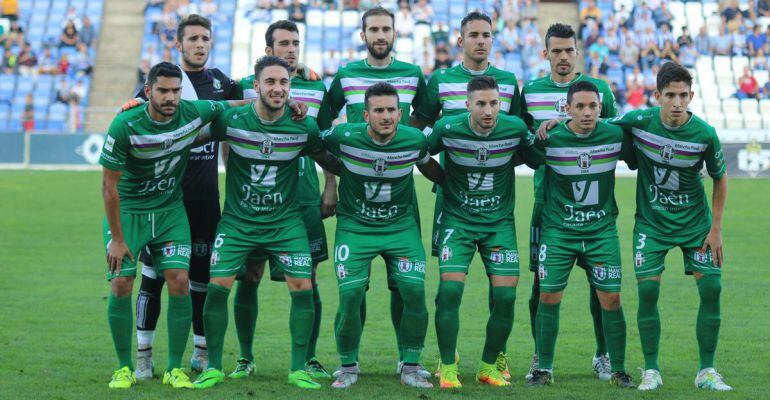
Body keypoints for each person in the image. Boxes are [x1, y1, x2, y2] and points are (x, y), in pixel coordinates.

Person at [189, 55, 341, 390]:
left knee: (303, 287)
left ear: (290, 87)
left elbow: (327, 158)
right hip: (238, 223)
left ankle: (298, 368)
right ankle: (214, 366)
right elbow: (190, 137)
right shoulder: (232, 120)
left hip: (285, 223)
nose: (277, 88)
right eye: (270, 82)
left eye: (283, 82)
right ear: (256, 86)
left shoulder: (303, 125)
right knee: (218, 287)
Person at [99, 62, 240, 389]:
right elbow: (109, 187)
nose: (170, 97)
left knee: (179, 279)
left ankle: (175, 368)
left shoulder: (192, 111)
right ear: (147, 91)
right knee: (121, 284)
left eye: (176, 90)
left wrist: (275, 97)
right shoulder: (125, 124)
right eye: (163, 90)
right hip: (130, 212)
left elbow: (231, 105)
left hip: (169, 210)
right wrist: (118, 240)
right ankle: (124, 367)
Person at [410, 11, 523, 380]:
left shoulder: (507, 82)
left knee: (502, 288)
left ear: (493, 39)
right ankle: (447, 356)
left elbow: (518, 137)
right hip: (454, 205)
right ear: (460, 40)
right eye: (473, 34)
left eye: (486, 34)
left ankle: (496, 357)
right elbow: (420, 130)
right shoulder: (441, 80)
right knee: (449, 289)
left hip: (497, 205)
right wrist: (441, 176)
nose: (480, 40)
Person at [130, 14, 243, 381]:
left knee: (200, 278)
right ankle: (144, 354)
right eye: (192, 38)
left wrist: (300, 69)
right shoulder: (164, 82)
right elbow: (133, 118)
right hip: (163, 200)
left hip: (204, 199)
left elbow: (260, 92)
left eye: (205, 38)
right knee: (153, 277)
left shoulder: (222, 83)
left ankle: (200, 349)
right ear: (178, 44)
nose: (199, 44)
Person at [608, 62, 731, 392]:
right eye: (670, 96)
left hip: (696, 225)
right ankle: (651, 369)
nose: (677, 103)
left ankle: (707, 370)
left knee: (712, 290)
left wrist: (716, 228)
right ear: (657, 96)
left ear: (691, 96)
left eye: (683, 96)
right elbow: (597, 125)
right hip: (652, 224)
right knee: (648, 291)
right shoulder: (638, 121)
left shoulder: (705, 134)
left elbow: (720, 179)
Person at [230, 19, 337, 381]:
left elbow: (323, 141)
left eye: (296, 43)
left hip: (303, 194)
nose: (292, 50)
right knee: (249, 275)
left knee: (308, 275)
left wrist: (331, 185)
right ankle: (245, 357)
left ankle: (308, 358)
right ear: (267, 51)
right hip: (253, 199)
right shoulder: (246, 87)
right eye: (284, 44)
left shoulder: (315, 85)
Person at [327, 6, 430, 378]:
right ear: (363, 34)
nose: (380, 34)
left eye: (386, 28)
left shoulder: (414, 75)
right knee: (353, 291)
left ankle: (409, 360)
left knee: (408, 289)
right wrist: (330, 182)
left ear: (395, 33)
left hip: (401, 208)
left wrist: (399, 141)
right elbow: (322, 131)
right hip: (355, 207)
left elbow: (429, 117)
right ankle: (348, 365)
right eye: (374, 29)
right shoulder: (346, 75)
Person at [326, 82, 443, 389]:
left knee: (415, 293)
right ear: (365, 115)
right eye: (379, 110)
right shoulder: (343, 136)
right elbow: (313, 144)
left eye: (392, 110)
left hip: (399, 227)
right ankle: (348, 365)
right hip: (355, 227)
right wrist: (337, 173)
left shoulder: (414, 140)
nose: (386, 116)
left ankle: (411, 366)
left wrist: (451, 186)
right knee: (350, 295)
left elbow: (428, 165)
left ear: (400, 113)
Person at [520, 23, 617, 382]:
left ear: (578, 52)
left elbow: (615, 132)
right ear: (545, 54)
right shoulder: (530, 91)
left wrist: (567, 120)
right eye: (556, 51)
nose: (563, 57)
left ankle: (603, 354)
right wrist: (541, 135)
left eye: (569, 50)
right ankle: (539, 355)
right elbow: (526, 147)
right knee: (540, 285)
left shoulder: (599, 91)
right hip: (547, 204)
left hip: (593, 207)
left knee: (600, 283)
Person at [526, 81, 634, 389]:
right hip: (559, 231)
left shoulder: (614, 133)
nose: (587, 113)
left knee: (611, 298)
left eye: (593, 107)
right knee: (548, 296)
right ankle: (543, 368)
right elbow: (525, 153)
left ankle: (619, 369)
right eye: (580, 107)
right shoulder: (550, 138)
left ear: (601, 108)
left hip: (601, 231)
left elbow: (639, 138)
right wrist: (546, 127)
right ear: (567, 109)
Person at [429, 76, 529, 389]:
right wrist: (444, 181)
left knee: (505, 296)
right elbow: (420, 152)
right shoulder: (447, 128)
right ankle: (447, 367)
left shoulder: (513, 128)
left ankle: (488, 367)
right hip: (458, 221)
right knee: (450, 292)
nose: (488, 110)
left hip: (498, 224)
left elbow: (535, 155)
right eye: (481, 103)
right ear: (468, 104)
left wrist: (549, 130)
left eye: (494, 103)